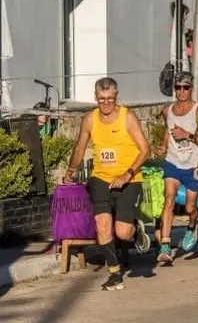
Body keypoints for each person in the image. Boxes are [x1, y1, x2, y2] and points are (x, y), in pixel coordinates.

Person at [64, 77, 151, 290]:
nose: (105, 104)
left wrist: (128, 173)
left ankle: (136, 231)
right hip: (101, 178)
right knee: (102, 226)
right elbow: (80, 148)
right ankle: (114, 274)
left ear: (116, 97)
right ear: (95, 97)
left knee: (122, 232)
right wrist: (71, 170)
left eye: (110, 99)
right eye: (101, 99)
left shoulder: (127, 117)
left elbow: (145, 149)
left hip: (129, 179)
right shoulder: (90, 120)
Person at [156, 72, 198, 263]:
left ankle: (192, 225)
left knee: (190, 207)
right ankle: (165, 245)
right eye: (178, 87)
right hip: (173, 162)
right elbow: (168, 132)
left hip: (192, 164)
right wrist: (163, 145)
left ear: (191, 89)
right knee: (169, 199)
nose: (181, 91)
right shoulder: (166, 110)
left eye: (185, 87)